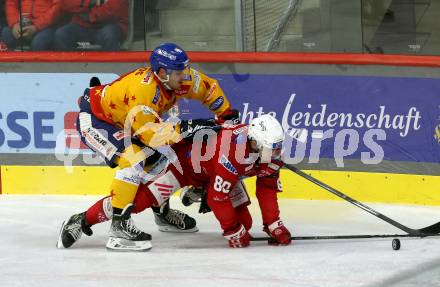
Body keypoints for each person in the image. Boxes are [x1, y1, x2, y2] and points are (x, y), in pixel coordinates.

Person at [58, 42, 239, 251]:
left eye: (185, 69)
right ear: (162, 72)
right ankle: (119, 228)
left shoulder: (177, 79)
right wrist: (190, 127)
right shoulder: (143, 91)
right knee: (134, 158)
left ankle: (162, 215)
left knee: (163, 160)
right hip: (99, 121)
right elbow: (152, 136)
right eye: (179, 72)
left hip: (130, 122)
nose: (185, 76)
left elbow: (209, 89)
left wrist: (226, 115)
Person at [57, 115, 291, 250]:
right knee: (135, 203)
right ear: (254, 142)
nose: (276, 153)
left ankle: (199, 189)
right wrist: (231, 230)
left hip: (212, 174)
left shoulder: (263, 153)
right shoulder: (230, 154)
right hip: (179, 167)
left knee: (246, 223)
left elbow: (268, 188)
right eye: (272, 148)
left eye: (278, 147)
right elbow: (218, 197)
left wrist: (274, 224)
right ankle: (81, 220)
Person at [54, 0, 128, 51]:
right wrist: (90, 3)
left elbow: (112, 11)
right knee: (61, 34)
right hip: (82, 25)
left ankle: (111, 70)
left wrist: (89, 15)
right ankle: (70, 71)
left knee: (108, 35)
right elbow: (66, 4)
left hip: (109, 25)